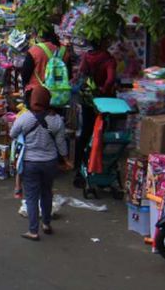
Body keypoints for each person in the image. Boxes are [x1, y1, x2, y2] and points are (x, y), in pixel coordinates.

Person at [10, 86, 70, 241]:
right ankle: (47, 224)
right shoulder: (56, 120)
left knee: (31, 197)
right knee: (47, 193)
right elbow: (61, 143)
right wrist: (65, 158)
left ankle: (33, 231)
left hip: (30, 162)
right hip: (50, 162)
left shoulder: (24, 117)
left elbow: (12, 134)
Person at [74, 38, 118, 172]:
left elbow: (80, 74)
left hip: (87, 99)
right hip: (103, 101)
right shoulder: (108, 60)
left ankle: (79, 162)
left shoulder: (87, 57)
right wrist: (104, 90)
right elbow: (110, 79)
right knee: (100, 131)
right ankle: (95, 162)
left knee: (86, 130)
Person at [21, 28, 66, 107]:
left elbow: (25, 73)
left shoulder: (35, 50)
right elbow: (69, 74)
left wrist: (24, 87)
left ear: (39, 36)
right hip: (59, 94)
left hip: (37, 94)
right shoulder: (64, 50)